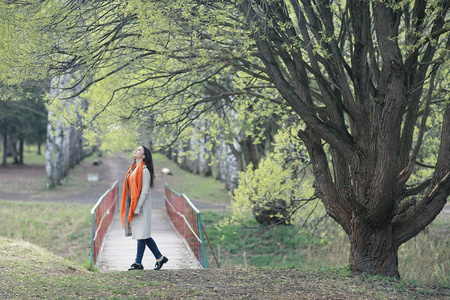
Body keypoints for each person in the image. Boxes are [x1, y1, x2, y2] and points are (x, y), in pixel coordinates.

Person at [120, 145, 168, 271]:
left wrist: (137, 207)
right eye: (136, 149)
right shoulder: (133, 169)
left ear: (144, 156)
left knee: (142, 234)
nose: (136, 150)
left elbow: (145, 191)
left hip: (142, 206)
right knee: (143, 234)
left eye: (139, 150)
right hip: (134, 205)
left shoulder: (145, 170)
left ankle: (138, 263)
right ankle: (159, 258)